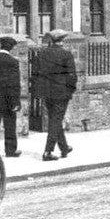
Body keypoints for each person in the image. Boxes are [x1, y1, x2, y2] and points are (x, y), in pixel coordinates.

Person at [35, 29, 77, 161]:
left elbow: (37, 73)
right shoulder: (66, 54)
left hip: (47, 92)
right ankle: (48, 151)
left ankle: (64, 147)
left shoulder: (42, 53)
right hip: (61, 92)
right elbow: (72, 76)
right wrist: (71, 90)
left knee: (55, 119)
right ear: (62, 40)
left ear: (52, 41)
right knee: (56, 120)